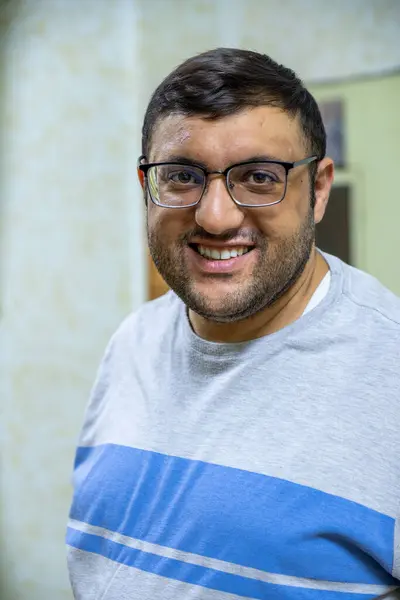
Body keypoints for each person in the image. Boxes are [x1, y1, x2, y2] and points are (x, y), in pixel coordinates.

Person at [66, 48, 400, 600]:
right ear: (146, 185)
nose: (215, 217)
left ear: (318, 189)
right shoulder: (132, 342)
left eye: (260, 177)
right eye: (181, 177)